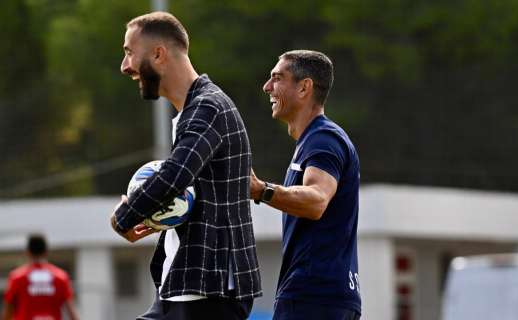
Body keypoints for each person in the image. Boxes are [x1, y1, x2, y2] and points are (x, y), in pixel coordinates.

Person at [111, 12, 261, 319]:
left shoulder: (208, 107)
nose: (125, 66)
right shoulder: (193, 110)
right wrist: (156, 217)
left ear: (158, 54)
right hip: (182, 283)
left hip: (207, 287)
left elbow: (174, 176)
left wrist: (123, 217)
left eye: (129, 52)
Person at [251, 50, 361, 320]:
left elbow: (316, 200)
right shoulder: (312, 141)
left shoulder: (323, 138)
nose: (267, 87)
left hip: (313, 296)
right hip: (324, 297)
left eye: (277, 78)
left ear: (304, 87)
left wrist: (260, 190)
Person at [1, 234, 79, 320]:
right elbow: (71, 313)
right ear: (46, 252)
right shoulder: (61, 277)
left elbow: (7, 313)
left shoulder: (17, 277)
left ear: (28, 252)